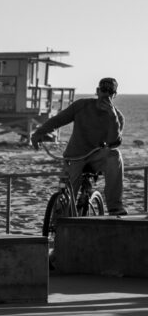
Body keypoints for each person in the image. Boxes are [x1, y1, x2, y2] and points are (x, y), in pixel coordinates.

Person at [31, 77, 126, 216]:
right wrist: (39, 133)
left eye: (110, 92)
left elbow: (113, 142)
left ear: (115, 95)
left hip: (96, 157)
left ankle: (115, 207)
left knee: (115, 155)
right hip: (75, 156)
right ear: (97, 91)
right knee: (66, 200)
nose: (106, 94)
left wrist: (112, 117)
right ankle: (59, 219)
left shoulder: (118, 117)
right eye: (103, 90)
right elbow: (59, 119)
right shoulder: (82, 105)